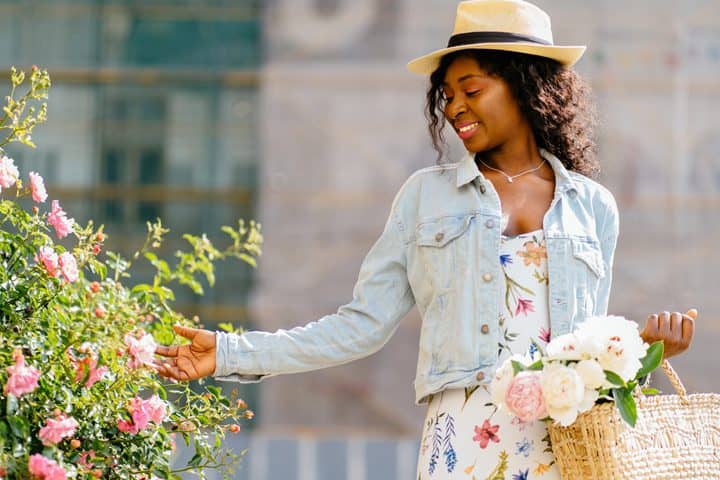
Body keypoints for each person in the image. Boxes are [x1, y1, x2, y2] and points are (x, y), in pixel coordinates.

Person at [155, 1, 697, 478]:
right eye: (447, 94)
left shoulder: (593, 206)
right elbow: (360, 326)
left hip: (567, 449)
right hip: (463, 446)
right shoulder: (425, 198)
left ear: (527, 84)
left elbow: (589, 358)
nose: (454, 107)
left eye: (472, 89)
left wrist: (643, 353)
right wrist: (230, 352)